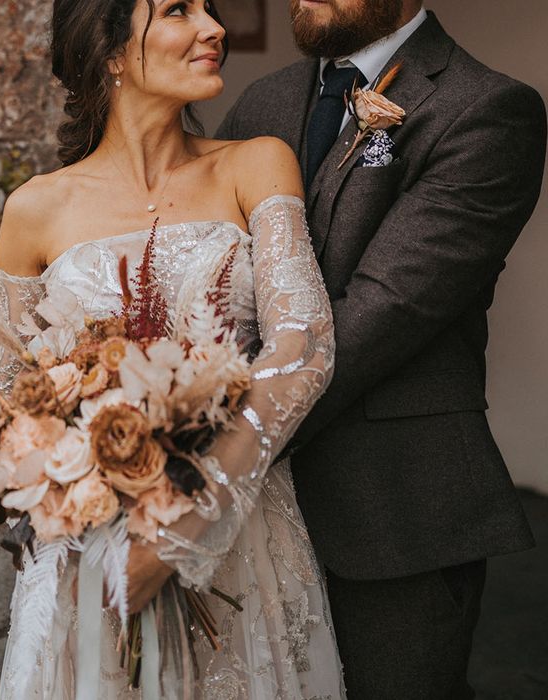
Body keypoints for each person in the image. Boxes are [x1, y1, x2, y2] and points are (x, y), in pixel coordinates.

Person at [0, 0, 345, 697]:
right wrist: (91, 486)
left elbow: (304, 347)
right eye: (179, 10)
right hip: (91, 552)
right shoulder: (34, 210)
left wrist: (183, 525)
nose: (214, 28)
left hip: (240, 534)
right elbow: (9, 401)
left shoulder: (255, 165)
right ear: (112, 51)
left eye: (209, 9)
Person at [216, 1, 547, 698]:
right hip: (249, 521)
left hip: (395, 513)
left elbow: (384, 310)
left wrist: (214, 441)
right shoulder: (263, 101)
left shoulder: (487, 109)